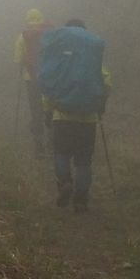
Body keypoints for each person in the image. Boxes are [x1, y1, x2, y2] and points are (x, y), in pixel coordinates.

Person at [35, 18, 111, 213]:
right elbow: (106, 82)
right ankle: (81, 200)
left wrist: (47, 110)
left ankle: (65, 183)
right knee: (84, 161)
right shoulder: (92, 58)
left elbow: (49, 87)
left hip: (62, 115)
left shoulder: (59, 58)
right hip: (88, 118)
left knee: (61, 154)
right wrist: (100, 105)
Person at [12, 9, 50, 156]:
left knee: (36, 110)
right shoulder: (49, 34)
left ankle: (38, 145)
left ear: (27, 20)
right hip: (49, 78)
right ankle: (53, 141)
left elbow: (18, 60)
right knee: (50, 107)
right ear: (41, 18)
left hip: (31, 79)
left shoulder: (23, 37)